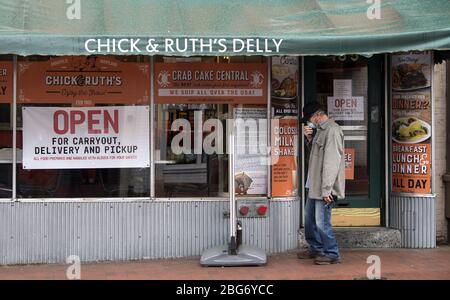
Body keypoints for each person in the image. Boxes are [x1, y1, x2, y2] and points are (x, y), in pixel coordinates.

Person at [297, 101, 345, 265]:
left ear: (317, 115)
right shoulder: (321, 131)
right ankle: (316, 248)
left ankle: (332, 253)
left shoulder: (332, 131)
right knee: (309, 219)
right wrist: (309, 138)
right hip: (314, 184)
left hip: (323, 186)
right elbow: (317, 155)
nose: (309, 121)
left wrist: (327, 190)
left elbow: (331, 163)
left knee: (321, 221)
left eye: (310, 118)